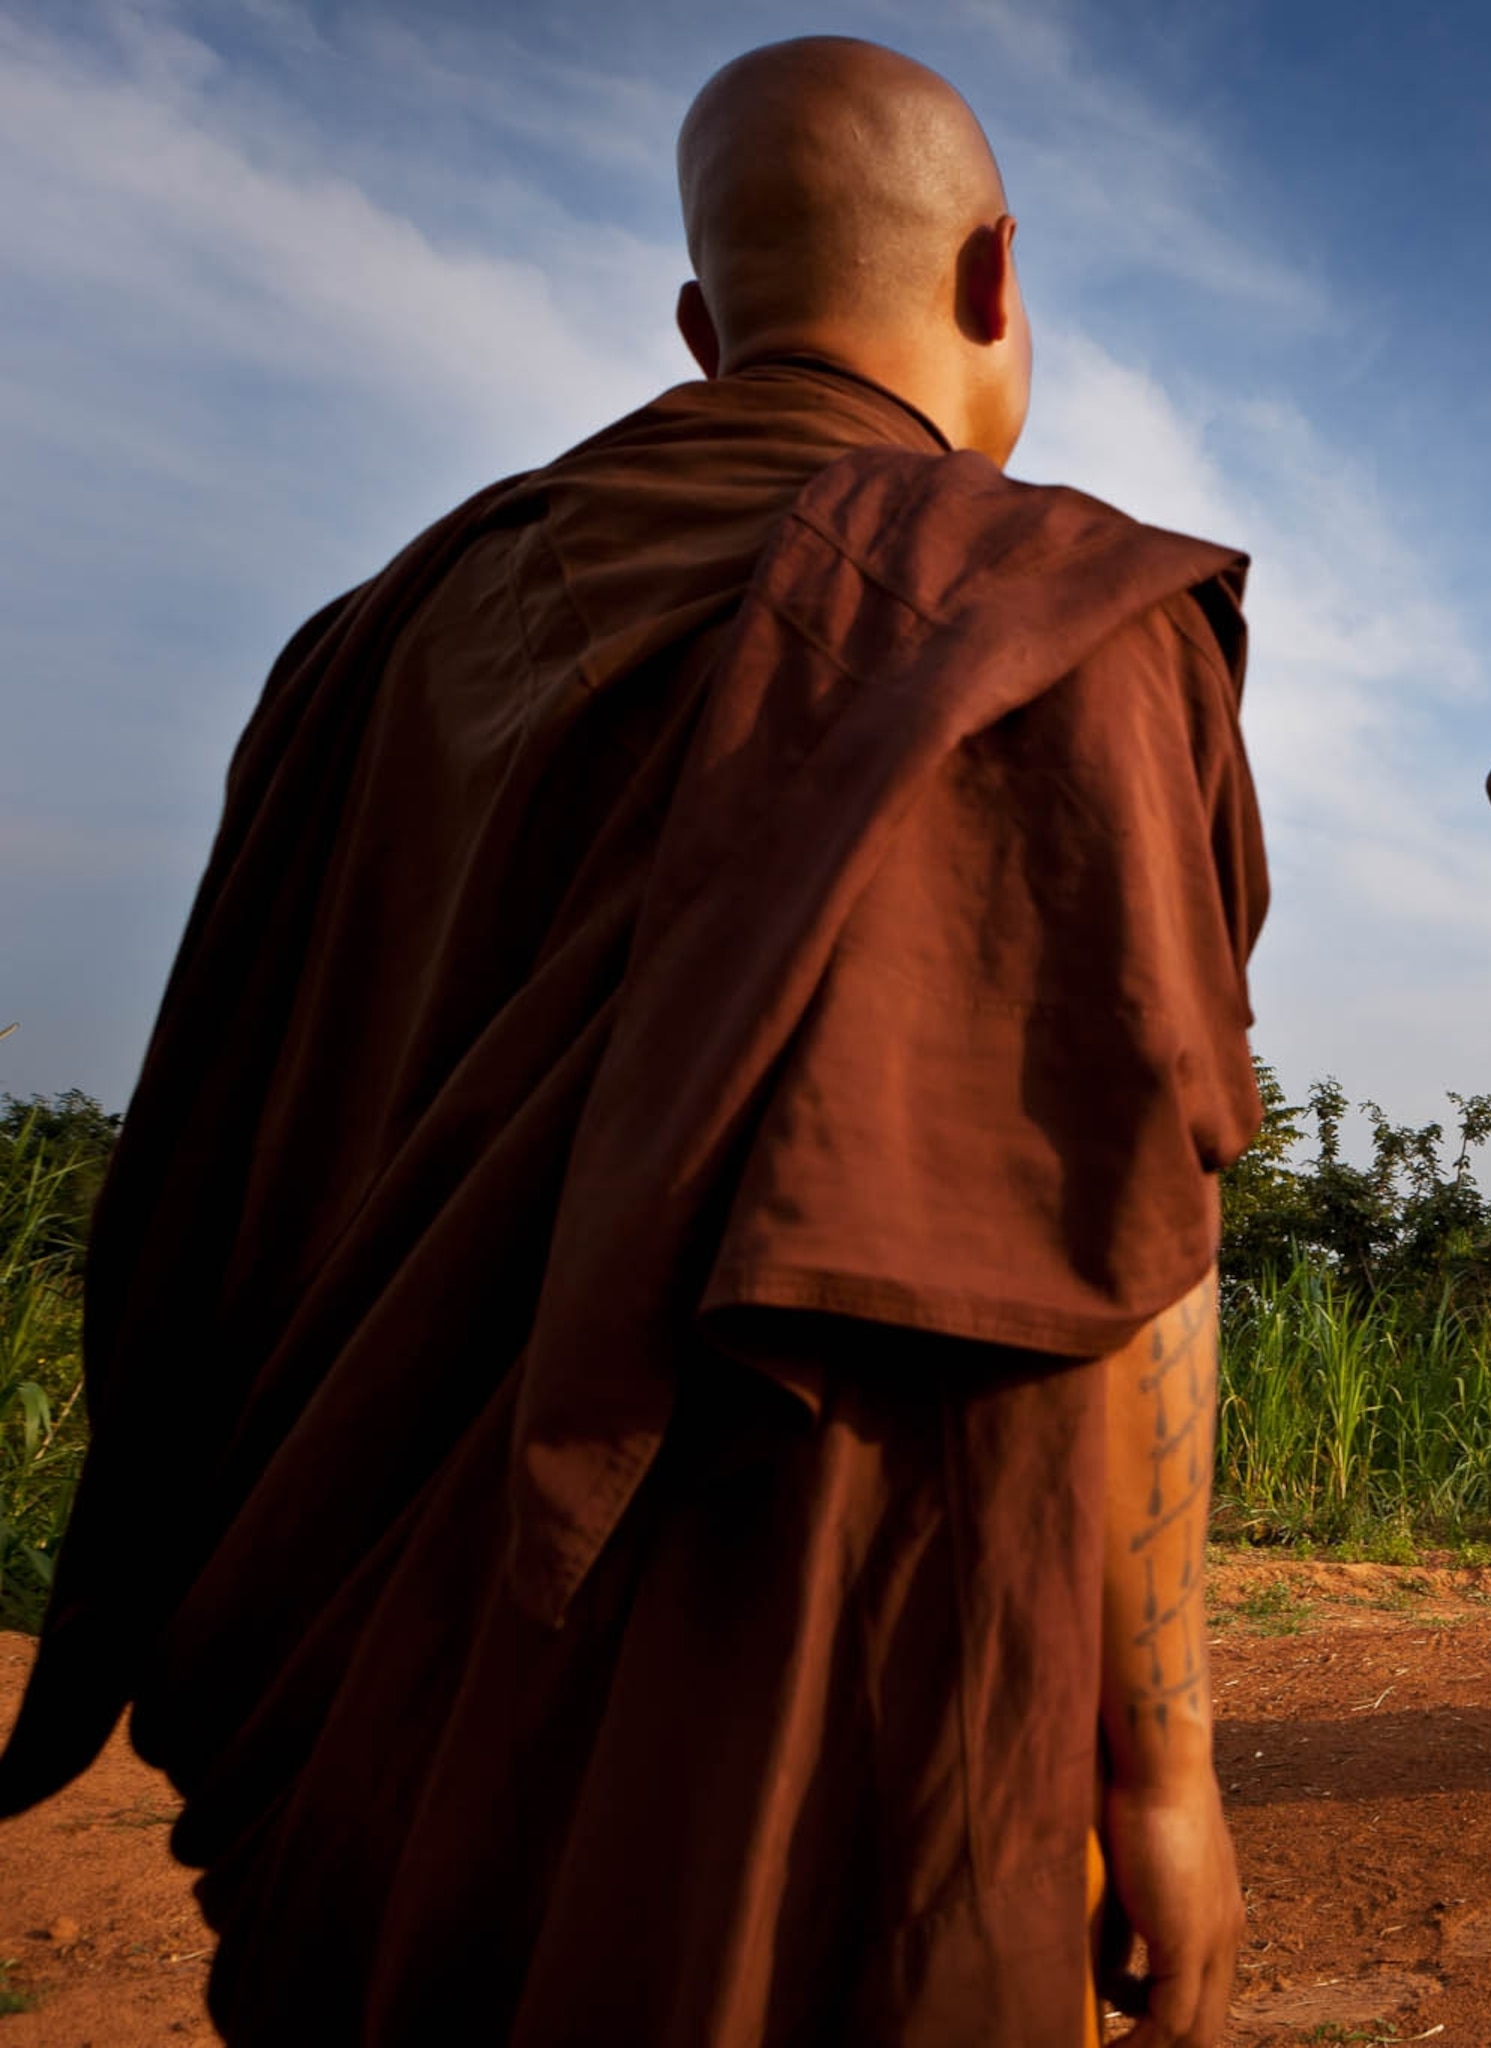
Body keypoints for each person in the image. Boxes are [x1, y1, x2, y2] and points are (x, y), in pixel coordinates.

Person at [0, 38, 1255, 2047]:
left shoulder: (372, 650)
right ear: (998, 275)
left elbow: (221, 1186)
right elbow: (1129, 1233)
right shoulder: (1044, 624)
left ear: (699, 325)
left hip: (382, 1731)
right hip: (838, 1740)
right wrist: (1167, 1773)